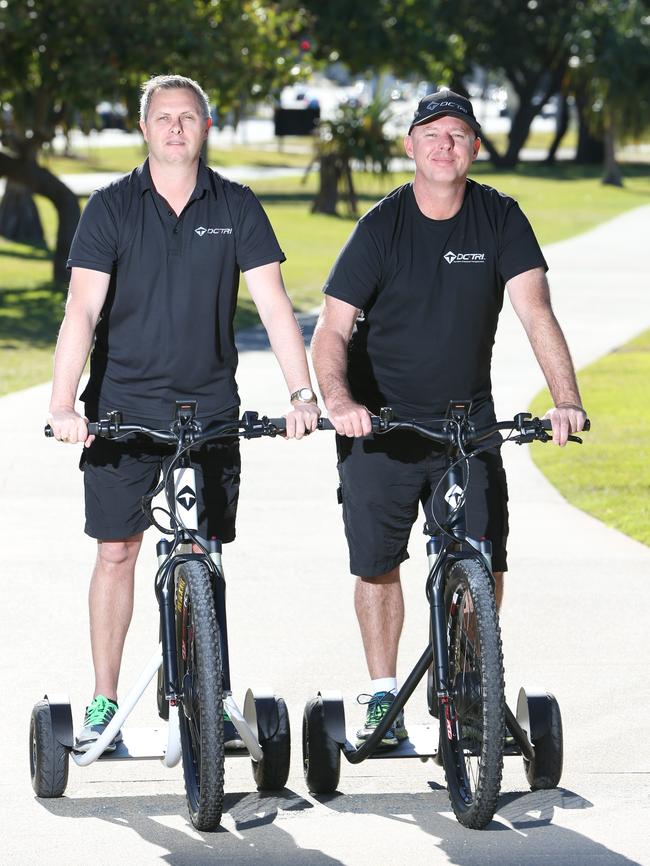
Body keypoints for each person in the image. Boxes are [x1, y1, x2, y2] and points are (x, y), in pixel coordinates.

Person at [47, 74, 320, 752]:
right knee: (117, 552)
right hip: (122, 413)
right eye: (163, 117)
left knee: (206, 553)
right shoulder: (110, 207)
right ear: (144, 128)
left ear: (205, 128)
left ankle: (213, 696)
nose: (175, 128)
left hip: (210, 415)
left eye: (188, 117)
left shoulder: (236, 205)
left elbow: (276, 305)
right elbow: (81, 309)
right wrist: (62, 403)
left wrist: (301, 392)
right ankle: (105, 702)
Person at [310, 88, 586, 748]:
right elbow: (331, 330)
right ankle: (382, 695)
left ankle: (461, 682)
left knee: (483, 559)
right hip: (382, 426)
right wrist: (341, 404)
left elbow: (536, 313)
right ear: (410, 145)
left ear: (474, 149)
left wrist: (566, 399)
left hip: (469, 425)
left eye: (458, 134)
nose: (444, 144)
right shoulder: (381, 226)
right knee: (377, 564)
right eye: (431, 133)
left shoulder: (499, 218)